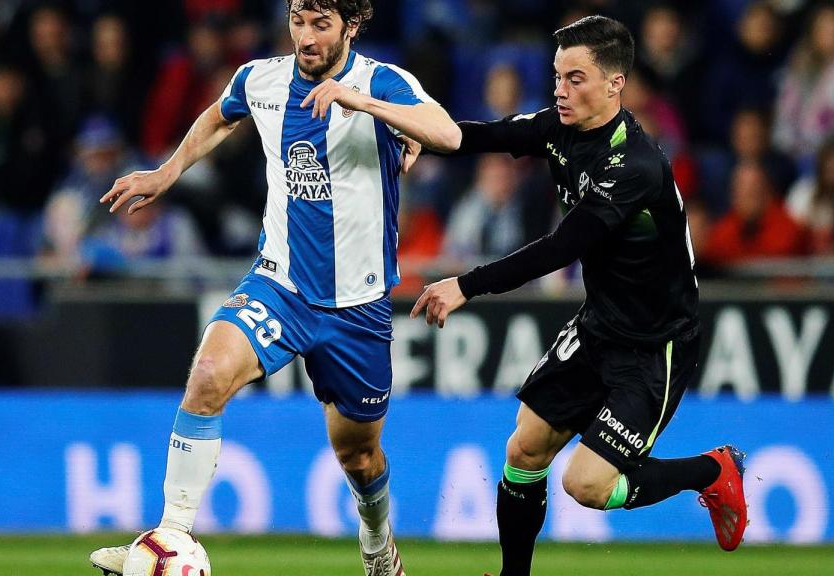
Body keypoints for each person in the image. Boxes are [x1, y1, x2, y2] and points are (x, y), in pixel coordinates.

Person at [89, 1, 460, 575]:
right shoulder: (259, 79)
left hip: (356, 307)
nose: (306, 37)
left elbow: (449, 134)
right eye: (298, 22)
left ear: (351, 27)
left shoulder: (381, 81)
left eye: (321, 25)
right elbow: (219, 116)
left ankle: (378, 544)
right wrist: (167, 171)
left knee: (359, 457)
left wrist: (363, 105)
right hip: (280, 286)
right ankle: (169, 538)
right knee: (209, 375)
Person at [411, 16, 747, 576]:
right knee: (524, 451)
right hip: (600, 328)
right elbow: (476, 136)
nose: (561, 92)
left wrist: (465, 285)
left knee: (586, 485)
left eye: (576, 79)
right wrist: (394, 124)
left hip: (654, 346)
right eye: (557, 78)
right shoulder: (559, 129)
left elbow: (560, 248)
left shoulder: (634, 165)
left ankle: (711, 472)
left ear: (615, 84)